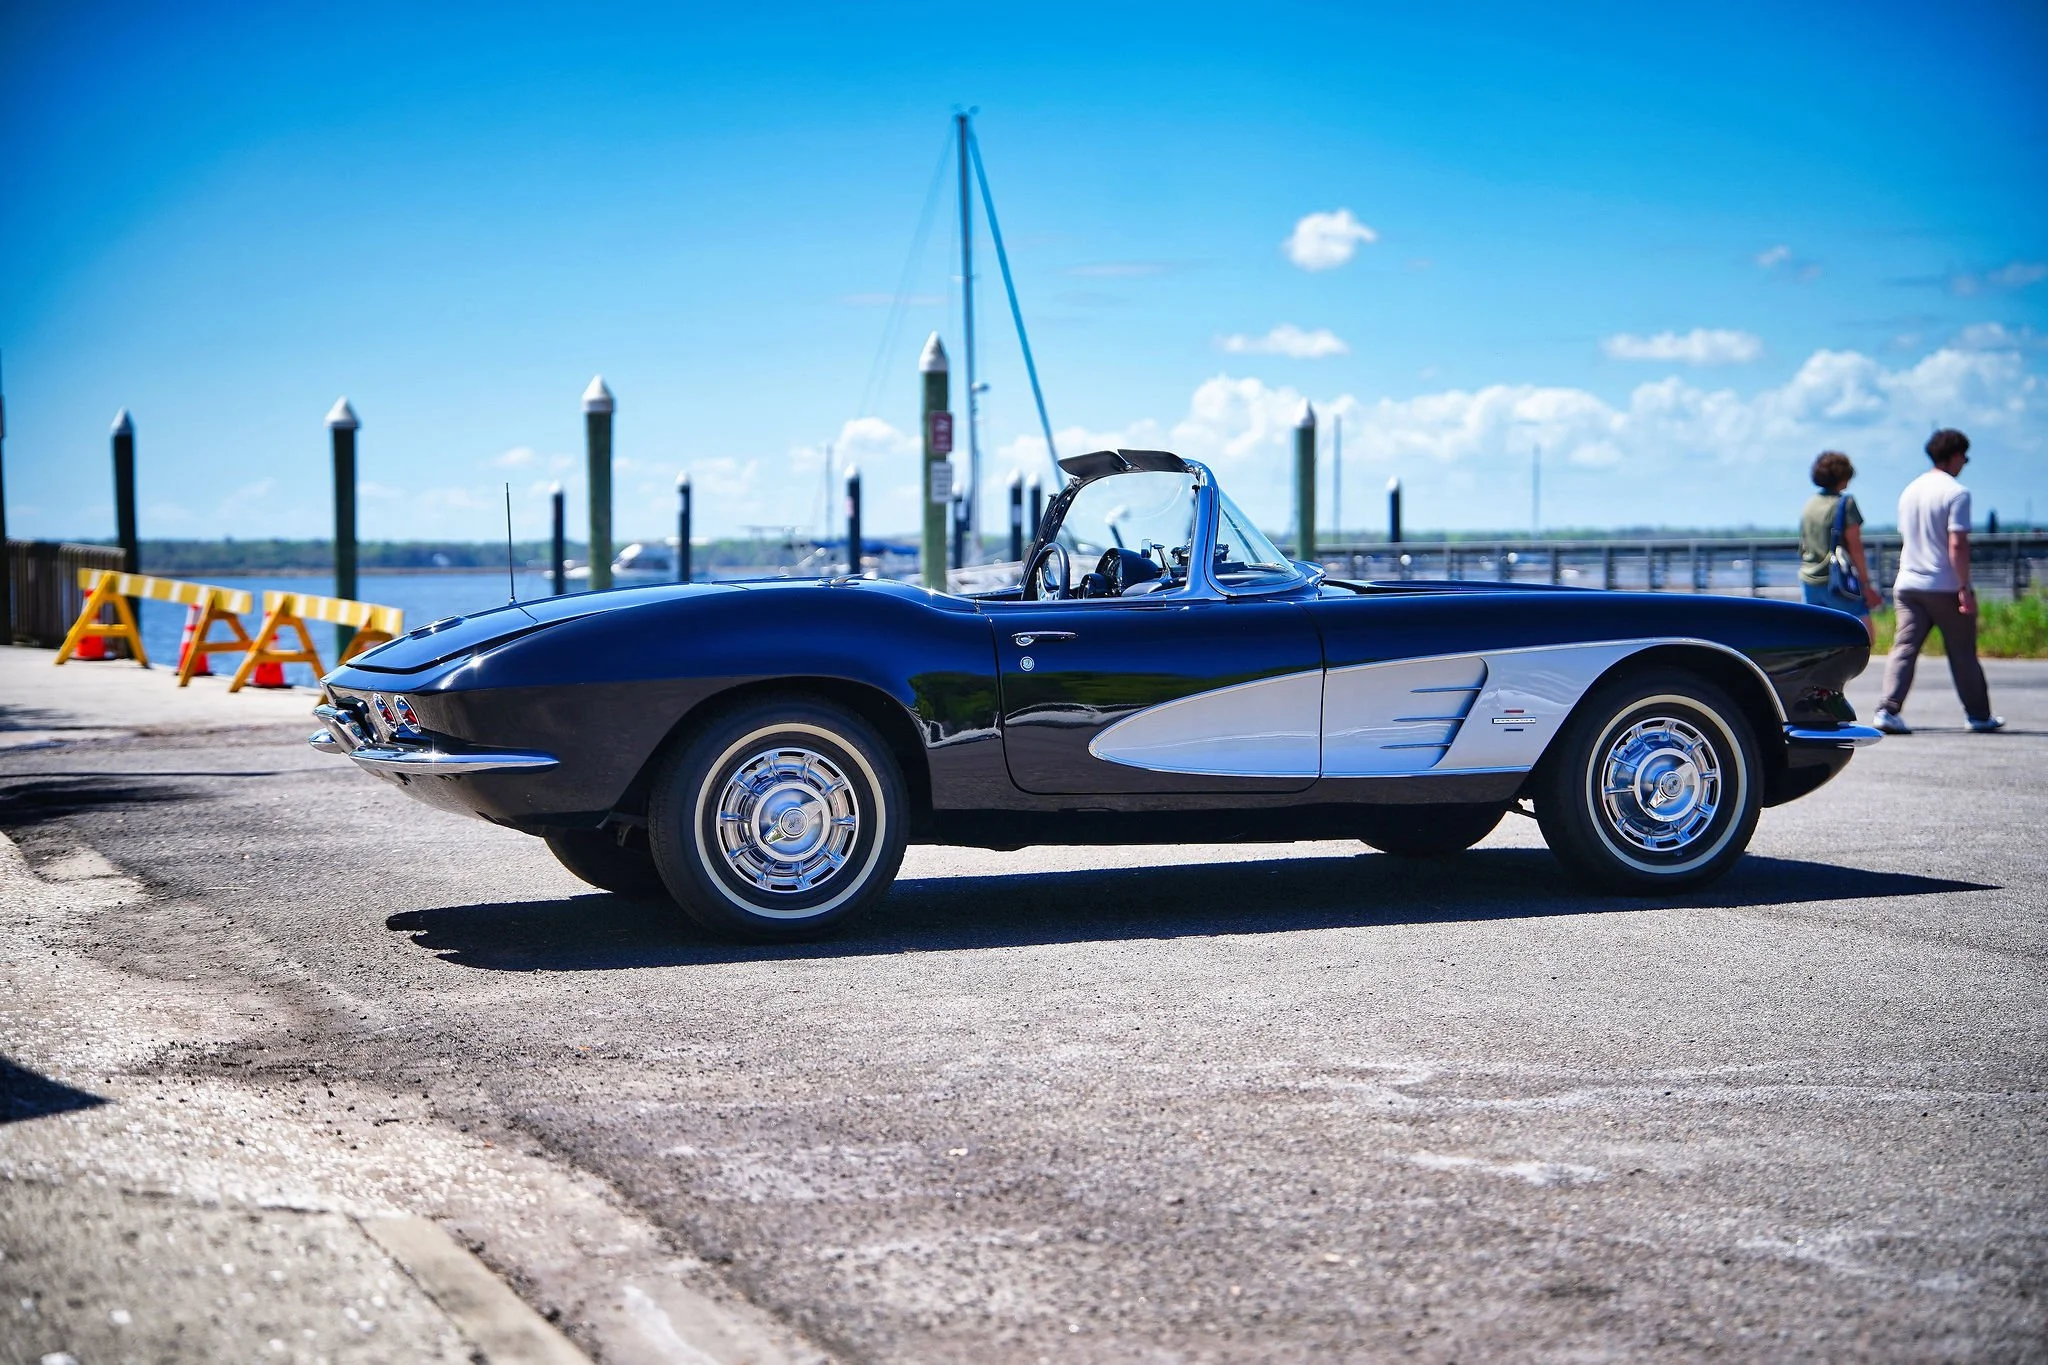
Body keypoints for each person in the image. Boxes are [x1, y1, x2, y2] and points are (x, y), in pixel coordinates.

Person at [1874, 429, 2003, 734]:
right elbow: (1956, 544)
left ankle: (1887, 709)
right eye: (1965, 457)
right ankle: (1978, 715)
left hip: (1907, 582)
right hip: (1943, 584)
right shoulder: (1956, 492)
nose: (1965, 463)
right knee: (1962, 653)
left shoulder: (1910, 491)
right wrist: (1964, 587)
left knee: (1904, 648)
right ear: (1955, 455)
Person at [1798, 450, 1883, 643]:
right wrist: (1866, 585)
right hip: (1837, 583)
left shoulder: (1810, 504)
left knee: (1818, 638)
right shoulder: (1846, 503)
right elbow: (1855, 547)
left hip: (1809, 579)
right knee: (1864, 636)